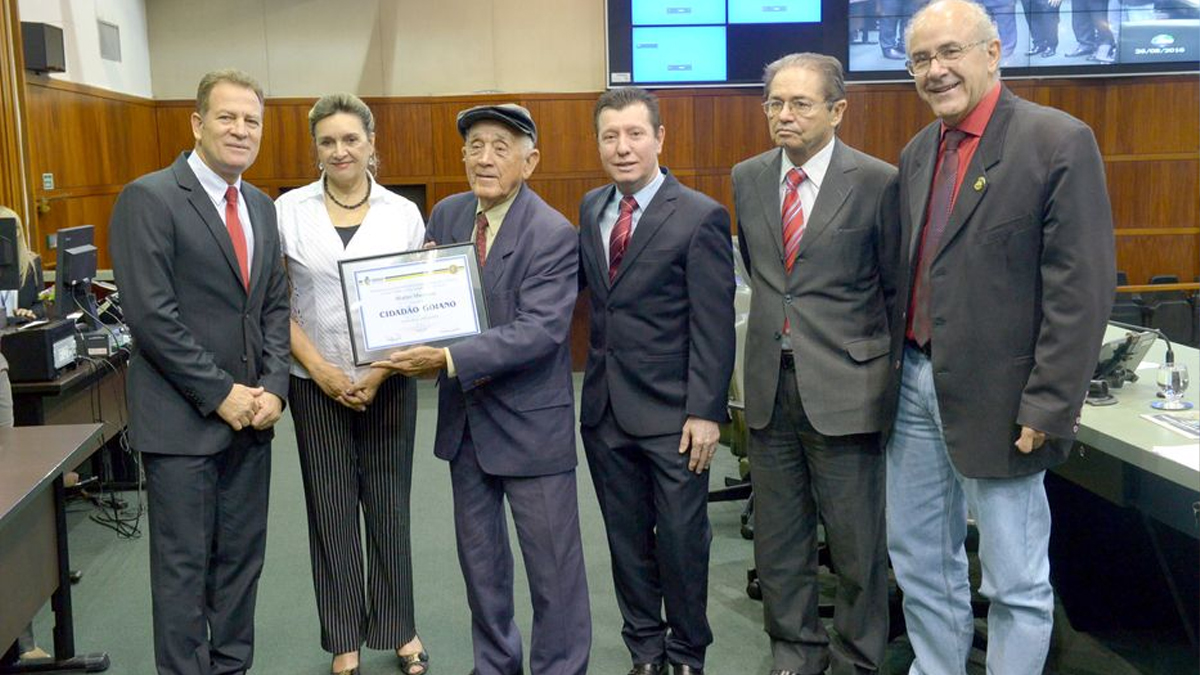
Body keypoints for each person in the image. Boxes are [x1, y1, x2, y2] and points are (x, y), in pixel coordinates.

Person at [890, 2, 1115, 672]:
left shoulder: (1056, 140)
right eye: (922, 59)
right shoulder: (914, 153)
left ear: (994, 52)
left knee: (1014, 578)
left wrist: (1049, 401)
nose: (936, 70)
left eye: (950, 52)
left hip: (1006, 399)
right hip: (911, 387)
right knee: (922, 564)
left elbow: (1082, 288)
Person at [375, 104, 590, 675]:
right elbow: (423, 299)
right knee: (481, 566)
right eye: (474, 146)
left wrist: (445, 356)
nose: (484, 158)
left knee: (553, 571)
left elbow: (539, 332)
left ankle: (560, 668)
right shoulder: (446, 216)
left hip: (531, 428)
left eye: (500, 146)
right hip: (466, 428)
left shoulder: (551, 232)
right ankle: (495, 665)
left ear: (530, 160)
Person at [109, 68, 291, 675]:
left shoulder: (262, 206)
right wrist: (221, 395)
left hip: (253, 423)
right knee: (184, 572)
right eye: (227, 117)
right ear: (197, 123)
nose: (241, 130)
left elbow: (272, 305)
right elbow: (151, 317)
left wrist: (274, 390)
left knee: (241, 566)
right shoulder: (150, 197)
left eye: (252, 121)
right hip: (183, 424)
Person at [731, 53, 898, 675]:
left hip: (849, 388)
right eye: (774, 102)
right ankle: (794, 654)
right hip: (771, 386)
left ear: (837, 110)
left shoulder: (879, 180)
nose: (783, 115)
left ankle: (857, 659)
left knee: (856, 548)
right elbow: (764, 272)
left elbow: (893, 288)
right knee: (780, 542)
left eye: (800, 103)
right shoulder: (747, 177)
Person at [578, 87, 735, 675]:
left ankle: (687, 651)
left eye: (635, 134)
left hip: (675, 417)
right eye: (610, 136)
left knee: (681, 541)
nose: (623, 147)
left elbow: (714, 325)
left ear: (660, 138)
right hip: (604, 412)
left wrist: (705, 412)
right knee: (626, 542)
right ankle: (645, 649)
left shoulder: (700, 215)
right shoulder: (592, 207)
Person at [274, 94, 428, 675]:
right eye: (327, 142)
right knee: (332, 511)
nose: (340, 151)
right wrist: (320, 369)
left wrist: (380, 370)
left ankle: (401, 630)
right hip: (313, 382)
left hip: (387, 381)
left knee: (390, 508)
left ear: (370, 143)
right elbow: (276, 303)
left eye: (350, 139)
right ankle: (344, 640)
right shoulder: (287, 210)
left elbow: (416, 304)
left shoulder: (402, 214)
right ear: (315, 148)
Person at [0, 206, 45, 323]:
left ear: (18, 232)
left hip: (21, 330)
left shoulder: (32, 263)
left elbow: (40, 304)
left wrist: (30, 313)